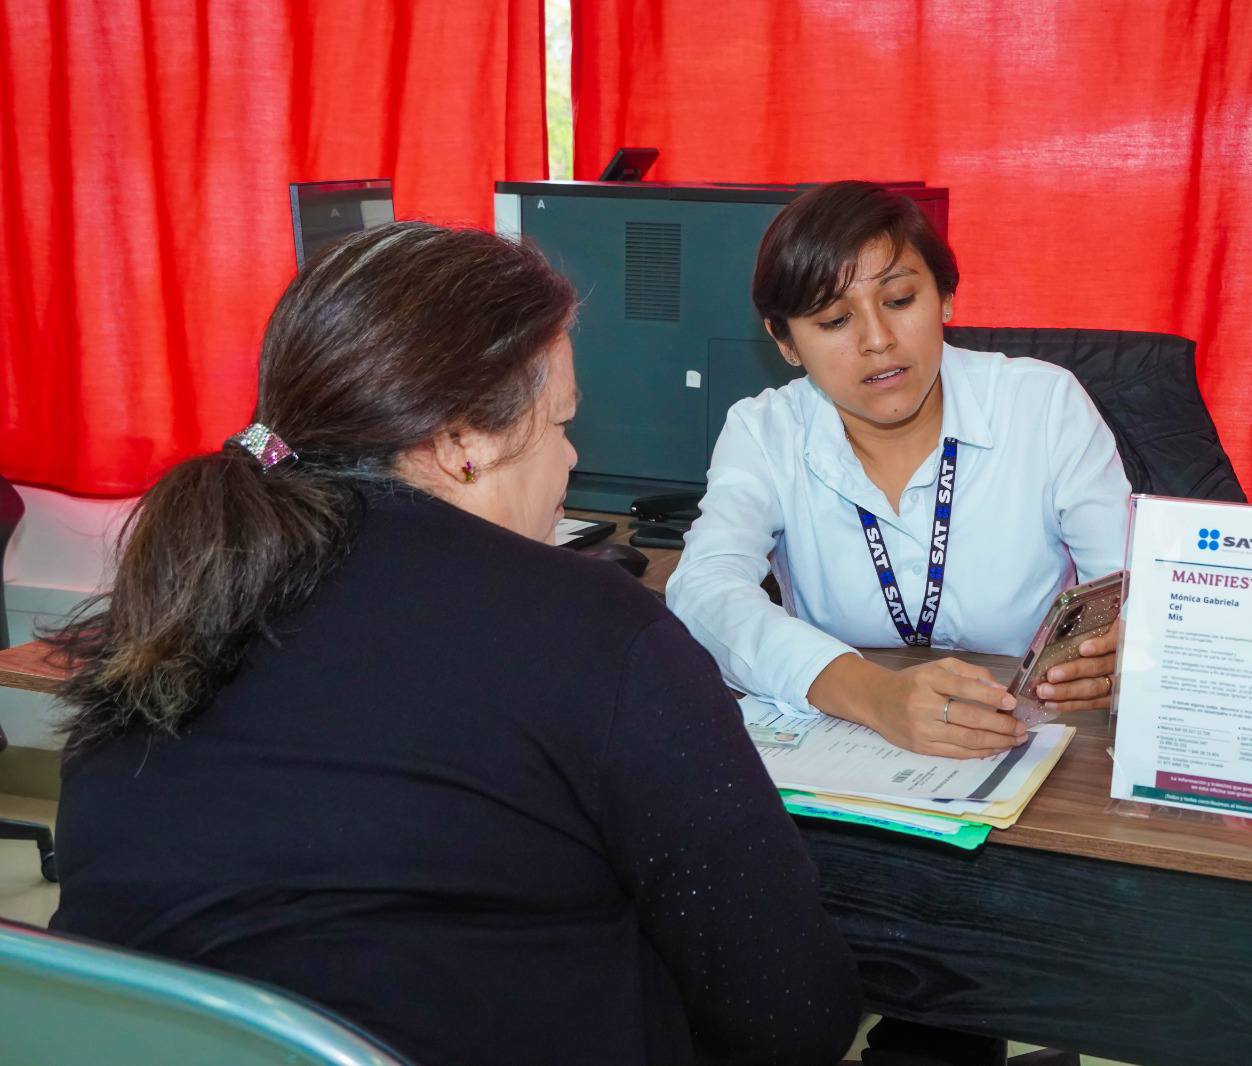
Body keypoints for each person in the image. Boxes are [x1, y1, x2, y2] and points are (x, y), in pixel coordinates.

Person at [46, 223, 862, 1066]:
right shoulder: (590, 626)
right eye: (562, 422)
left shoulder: (178, 600)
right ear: (461, 441)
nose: (572, 459)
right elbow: (792, 1017)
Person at [666, 181, 1132, 759]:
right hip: (849, 744)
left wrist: (1124, 650)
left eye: (900, 300)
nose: (878, 340)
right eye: (834, 320)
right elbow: (703, 590)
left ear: (945, 298)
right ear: (786, 343)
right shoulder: (765, 432)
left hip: (1037, 740)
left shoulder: (1043, 406)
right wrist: (874, 696)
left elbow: (1130, 587)